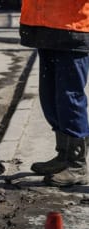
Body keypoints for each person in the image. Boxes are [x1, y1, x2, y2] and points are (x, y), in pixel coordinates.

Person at [20, 1, 89, 187]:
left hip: (73, 28)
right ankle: (63, 155)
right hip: (45, 27)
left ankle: (77, 163)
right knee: (50, 97)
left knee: (69, 97)